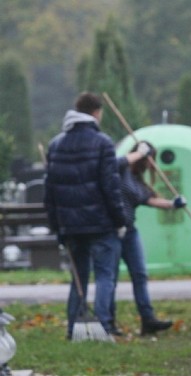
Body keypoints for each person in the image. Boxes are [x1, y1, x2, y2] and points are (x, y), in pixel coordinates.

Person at [44, 92, 130, 338]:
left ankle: (73, 328)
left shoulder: (56, 144)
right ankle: (102, 326)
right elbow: (110, 187)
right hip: (101, 224)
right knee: (105, 276)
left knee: (78, 279)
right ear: (96, 112)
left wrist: (57, 227)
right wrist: (119, 220)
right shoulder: (102, 142)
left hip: (70, 226)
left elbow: (50, 193)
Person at [112, 141, 186, 335]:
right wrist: (141, 152)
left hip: (129, 232)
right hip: (112, 232)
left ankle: (148, 319)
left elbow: (150, 200)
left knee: (140, 274)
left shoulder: (136, 179)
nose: (150, 164)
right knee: (110, 278)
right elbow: (115, 164)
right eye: (148, 158)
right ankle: (108, 322)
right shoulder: (120, 170)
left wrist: (173, 204)